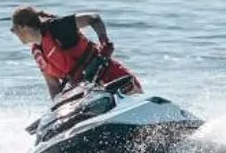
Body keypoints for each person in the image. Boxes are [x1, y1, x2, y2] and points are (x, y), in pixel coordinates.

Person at [10, 6, 142, 99]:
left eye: (13, 29)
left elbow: (93, 18)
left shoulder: (57, 28)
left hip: (113, 77)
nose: (13, 32)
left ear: (23, 26)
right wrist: (56, 107)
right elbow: (53, 85)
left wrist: (104, 42)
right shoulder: (38, 52)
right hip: (88, 93)